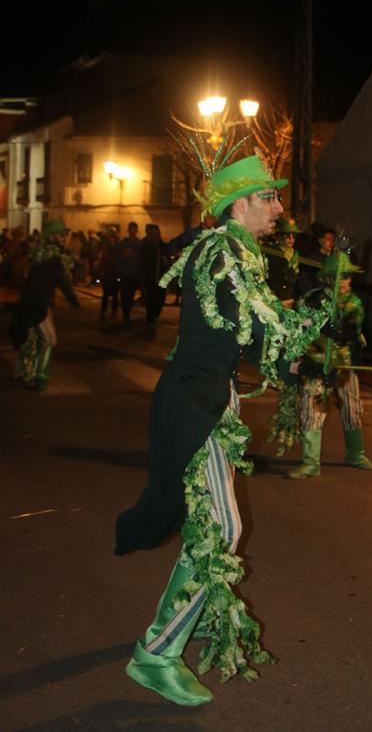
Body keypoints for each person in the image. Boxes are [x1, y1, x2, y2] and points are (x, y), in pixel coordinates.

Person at [115, 154, 326, 707]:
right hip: (195, 404)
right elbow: (261, 325)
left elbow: (250, 333)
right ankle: (155, 653)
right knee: (223, 532)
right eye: (269, 197)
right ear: (240, 205)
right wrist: (297, 333)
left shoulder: (240, 254)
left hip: (211, 399)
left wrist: (295, 360)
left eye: (277, 197)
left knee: (212, 525)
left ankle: (192, 613)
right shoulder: (222, 251)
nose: (280, 206)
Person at [283, 250, 372, 479]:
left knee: (352, 408)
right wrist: (295, 359)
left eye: (346, 277)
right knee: (311, 409)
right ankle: (310, 462)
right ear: (327, 279)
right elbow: (298, 331)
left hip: (345, 364)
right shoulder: (311, 301)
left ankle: (355, 454)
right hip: (316, 364)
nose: (344, 282)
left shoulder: (361, 302)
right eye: (339, 277)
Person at [9, 219, 79, 391]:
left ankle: (26, 371)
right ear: (52, 237)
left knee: (34, 339)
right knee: (50, 339)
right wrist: (73, 299)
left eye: (65, 235)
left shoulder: (41, 253)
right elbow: (60, 279)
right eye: (61, 235)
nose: (64, 238)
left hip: (33, 302)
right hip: (37, 304)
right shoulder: (51, 256)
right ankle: (40, 376)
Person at [262, 216, 300, 305]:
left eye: (293, 237)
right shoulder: (273, 252)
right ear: (280, 237)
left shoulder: (296, 254)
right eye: (287, 237)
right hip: (276, 294)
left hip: (291, 294)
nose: (291, 240)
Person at [140, 224, 170, 329]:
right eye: (153, 234)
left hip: (161, 278)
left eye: (157, 234)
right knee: (150, 299)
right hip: (150, 278)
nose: (155, 236)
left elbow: (168, 261)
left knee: (160, 298)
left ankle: (156, 314)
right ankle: (150, 318)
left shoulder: (163, 246)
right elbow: (142, 262)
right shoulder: (146, 247)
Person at [117, 222, 141, 325]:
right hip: (124, 273)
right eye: (131, 229)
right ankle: (125, 315)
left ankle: (127, 315)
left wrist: (134, 255)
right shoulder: (124, 242)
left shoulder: (139, 244)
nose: (132, 232)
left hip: (133, 273)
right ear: (128, 230)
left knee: (130, 295)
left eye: (134, 230)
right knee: (124, 295)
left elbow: (141, 257)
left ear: (136, 231)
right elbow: (118, 255)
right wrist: (124, 255)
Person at [98, 231, 120, 320]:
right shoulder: (106, 251)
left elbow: (119, 263)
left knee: (115, 295)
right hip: (107, 275)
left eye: (113, 240)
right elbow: (103, 262)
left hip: (115, 275)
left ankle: (114, 311)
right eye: (111, 240)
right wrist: (102, 271)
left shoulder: (118, 251)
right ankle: (103, 311)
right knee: (105, 295)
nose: (112, 242)